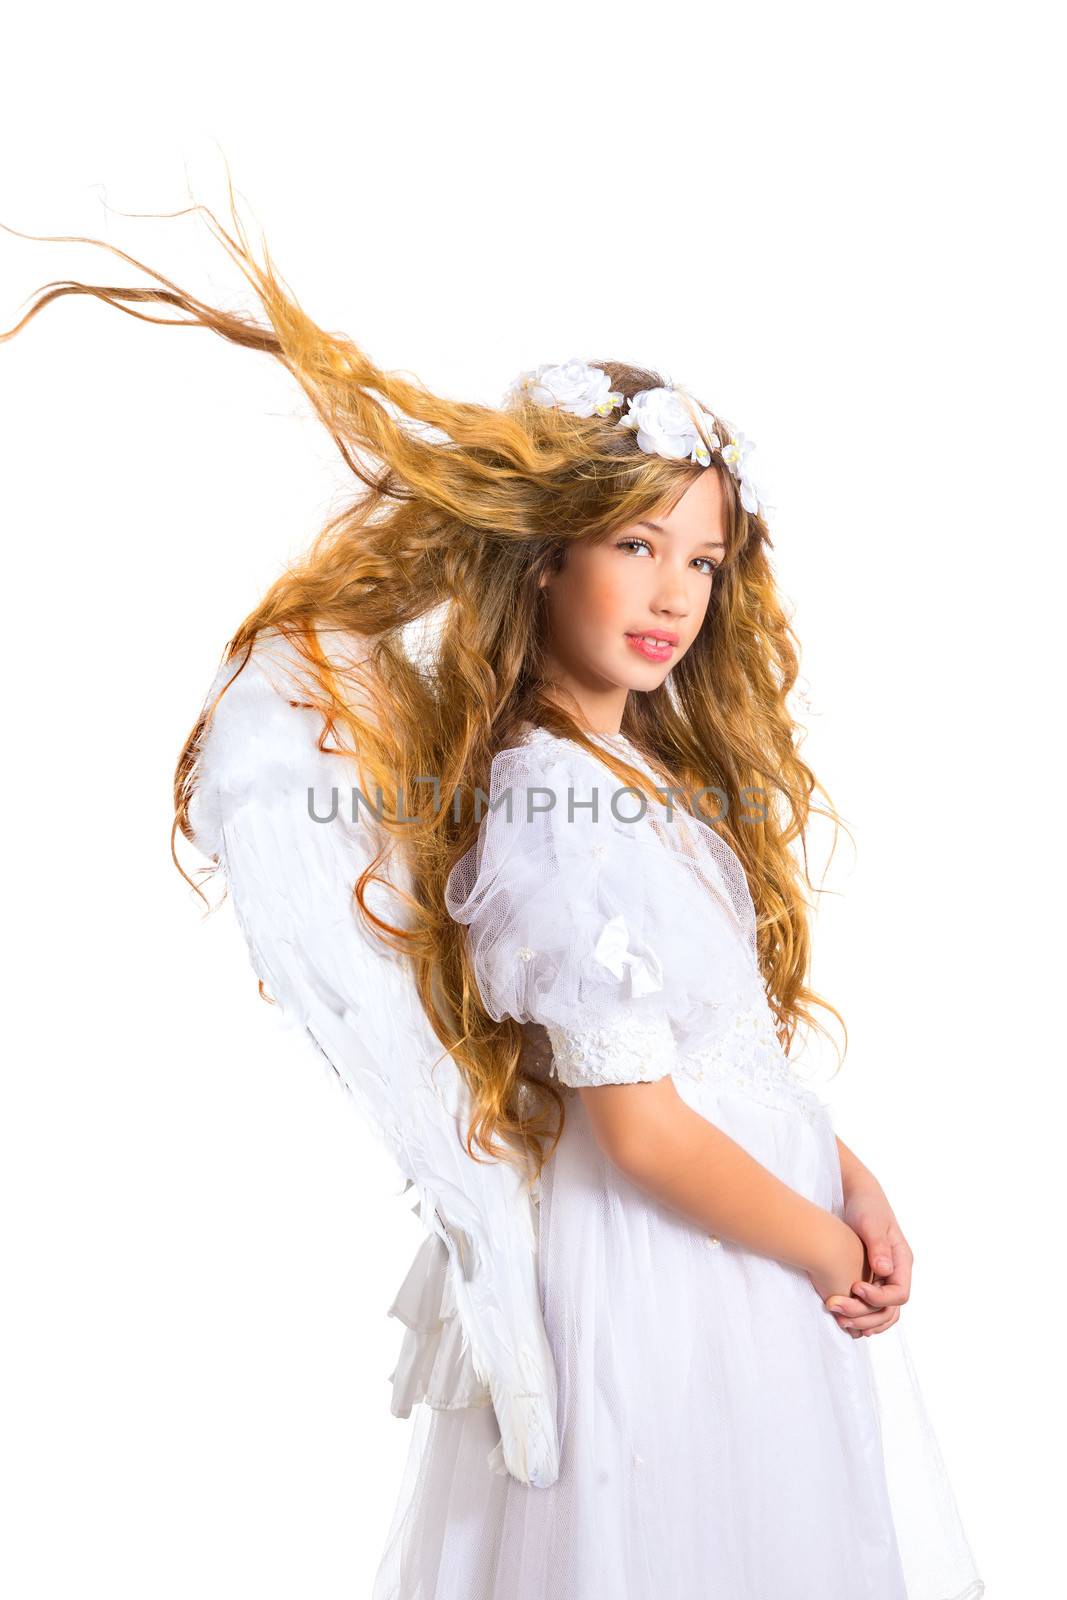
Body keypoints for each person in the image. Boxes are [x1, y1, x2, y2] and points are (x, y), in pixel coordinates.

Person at [3, 191, 985, 1599]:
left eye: (700, 559)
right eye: (637, 546)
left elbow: (726, 1059)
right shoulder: (548, 806)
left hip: (748, 1254)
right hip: (675, 1280)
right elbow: (638, 1129)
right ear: (547, 554)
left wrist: (852, 1181)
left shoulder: (645, 783)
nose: (675, 593)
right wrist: (825, 1241)